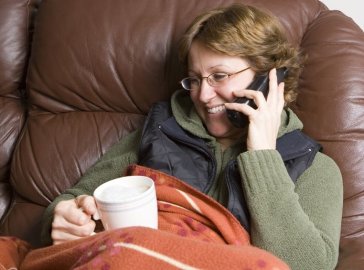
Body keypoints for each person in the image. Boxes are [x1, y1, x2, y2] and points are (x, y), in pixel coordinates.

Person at [41, 4, 343, 270]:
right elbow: (72, 199)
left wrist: (263, 157)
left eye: (219, 76)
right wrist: (65, 216)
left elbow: (308, 266)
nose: (203, 95)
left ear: (270, 78)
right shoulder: (160, 131)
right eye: (195, 79)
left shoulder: (314, 167)